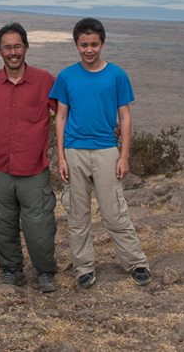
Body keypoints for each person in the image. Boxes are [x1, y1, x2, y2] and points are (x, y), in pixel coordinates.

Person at [50, 17, 151, 289]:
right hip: (74, 151)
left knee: (114, 211)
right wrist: (60, 156)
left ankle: (135, 262)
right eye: (83, 45)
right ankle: (84, 267)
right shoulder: (67, 76)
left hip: (107, 149)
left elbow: (125, 116)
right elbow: (60, 117)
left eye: (94, 44)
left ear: (102, 44)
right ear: (76, 45)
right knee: (77, 214)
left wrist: (124, 154)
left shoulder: (116, 75)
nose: (89, 50)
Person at [0, 22, 58, 293]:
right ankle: (11, 271)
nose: (13, 52)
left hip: (34, 171)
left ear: (26, 48)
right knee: (2, 224)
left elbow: (67, 115)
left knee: (40, 227)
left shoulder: (45, 81)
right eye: (7, 47)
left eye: (17, 46)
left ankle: (45, 272)